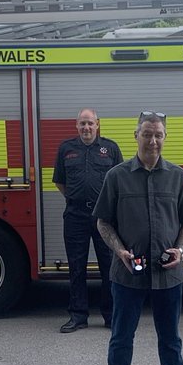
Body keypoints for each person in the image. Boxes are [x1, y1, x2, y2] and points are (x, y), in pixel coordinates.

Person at [93, 111, 183, 365]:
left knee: (170, 336)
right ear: (136, 135)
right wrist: (119, 251)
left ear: (165, 138)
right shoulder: (116, 176)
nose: (152, 140)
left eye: (158, 135)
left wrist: (180, 249)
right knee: (120, 336)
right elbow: (104, 223)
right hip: (127, 274)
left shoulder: (178, 176)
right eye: (147, 134)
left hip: (168, 274)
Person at [53, 108, 124, 333]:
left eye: (90, 123)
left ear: (98, 124)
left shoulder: (110, 148)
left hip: (104, 217)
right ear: (76, 125)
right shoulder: (66, 149)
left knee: (109, 267)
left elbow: (119, 182)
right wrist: (77, 199)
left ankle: (111, 316)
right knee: (76, 267)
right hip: (75, 216)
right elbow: (60, 182)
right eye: (82, 124)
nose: (86, 128)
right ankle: (78, 316)